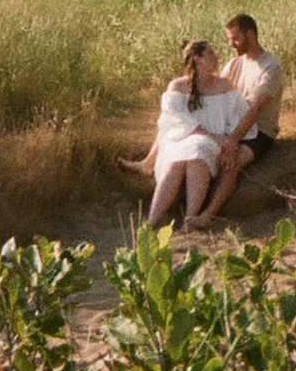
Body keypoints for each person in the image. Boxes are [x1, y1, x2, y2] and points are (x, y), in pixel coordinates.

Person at [117, 39, 247, 228]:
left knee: (198, 152)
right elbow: (176, 122)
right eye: (211, 53)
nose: (216, 57)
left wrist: (228, 143)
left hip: (211, 144)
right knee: (178, 159)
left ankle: (190, 218)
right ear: (198, 59)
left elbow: (238, 118)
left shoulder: (224, 86)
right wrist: (212, 137)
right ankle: (152, 221)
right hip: (181, 139)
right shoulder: (177, 87)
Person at [181, 13, 283, 230]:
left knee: (232, 162)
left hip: (258, 131)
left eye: (235, 39)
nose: (231, 44)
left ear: (251, 34)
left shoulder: (270, 67)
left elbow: (255, 110)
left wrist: (232, 141)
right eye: (229, 39)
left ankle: (207, 215)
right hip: (229, 126)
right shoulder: (234, 64)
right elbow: (214, 89)